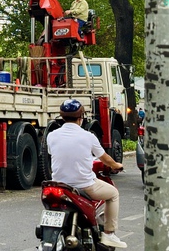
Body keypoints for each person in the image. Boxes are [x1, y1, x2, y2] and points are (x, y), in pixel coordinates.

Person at [47, 99, 126, 248]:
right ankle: (109, 234)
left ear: (62, 117)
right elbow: (105, 158)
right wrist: (116, 165)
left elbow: (55, 153)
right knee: (113, 194)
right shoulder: (88, 136)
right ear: (80, 117)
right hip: (84, 185)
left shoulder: (52, 136)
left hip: (60, 185)